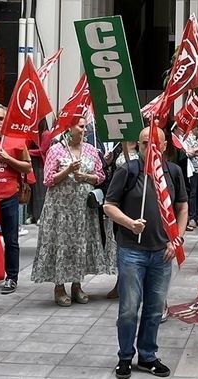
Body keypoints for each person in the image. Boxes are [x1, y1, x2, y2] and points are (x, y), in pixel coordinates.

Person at [103, 126, 187, 379]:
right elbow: (109, 205)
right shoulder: (127, 171)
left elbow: (182, 207)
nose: (148, 148)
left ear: (163, 146)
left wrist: (177, 239)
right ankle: (125, 357)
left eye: (154, 143)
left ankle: (147, 356)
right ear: (136, 146)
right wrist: (129, 223)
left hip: (163, 252)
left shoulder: (173, 172)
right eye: (143, 143)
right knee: (129, 308)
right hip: (132, 252)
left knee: (153, 309)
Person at [32, 114, 114, 306]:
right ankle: (59, 287)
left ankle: (77, 285)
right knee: (62, 244)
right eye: (80, 126)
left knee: (80, 245)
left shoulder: (91, 150)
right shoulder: (56, 150)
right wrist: (67, 171)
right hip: (60, 209)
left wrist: (84, 176)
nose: (84, 130)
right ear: (68, 128)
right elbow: (48, 180)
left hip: (83, 209)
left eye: (85, 126)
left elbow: (100, 177)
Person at [0, 104, 31, 294]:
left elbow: (27, 167)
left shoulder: (17, 141)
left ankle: (11, 277)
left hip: (9, 196)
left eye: (1, 118)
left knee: (11, 240)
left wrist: (8, 159)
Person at [181, 128, 198, 231]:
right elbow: (188, 152)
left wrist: (196, 150)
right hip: (192, 169)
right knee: (193, 193)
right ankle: (192, 217)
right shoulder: (188, 136)